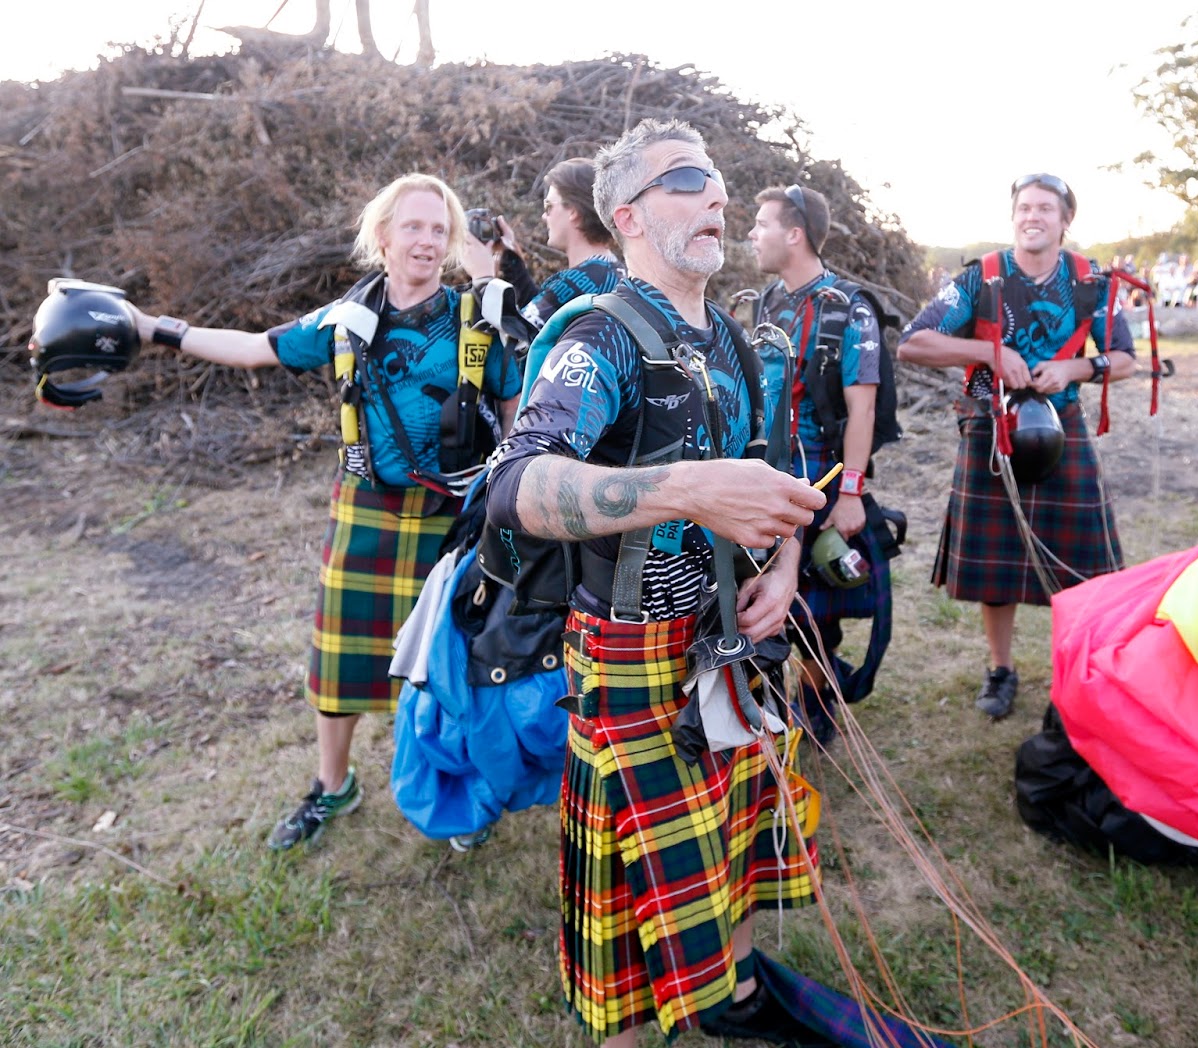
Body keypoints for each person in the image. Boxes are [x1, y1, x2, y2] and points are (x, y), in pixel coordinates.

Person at [484, 119, 829, 1047]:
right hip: (629, 649)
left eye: (718, 180)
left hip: (734, 634)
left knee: (742, 829)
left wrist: (787, 562)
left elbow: (774, 472)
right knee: (633, 879)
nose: (717, 195)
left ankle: (737, 993)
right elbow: (514, 485)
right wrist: (681, 490)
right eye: (688, 180)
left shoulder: (732, 338)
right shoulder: (597, 341)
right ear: (627, 215)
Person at [126, 174, 524, 850]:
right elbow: (254, 348)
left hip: (455, 518)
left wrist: (506, 506)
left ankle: (457, 792)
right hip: (366, 510)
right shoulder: (346, 320)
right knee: (340, 660)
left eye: (438, 229)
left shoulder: (478, 321)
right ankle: (332, 786)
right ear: (383, 237)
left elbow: (515, 418)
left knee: (449, 662)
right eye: (413, 226)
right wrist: (154, 328)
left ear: (451, 243)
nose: (426, 241)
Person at [898, 172, 1135, 720]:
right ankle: (1001, 669)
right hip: (991, 427)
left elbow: (1125, 358)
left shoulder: (1090, 282)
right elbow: (914, 342)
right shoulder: (981, 278)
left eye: (1046, 208)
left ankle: (1072, 677)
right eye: (1025, 207)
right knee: (996, 568)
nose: (1034, 216)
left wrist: (1077, 365)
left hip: (1063, 424)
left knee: (1080, 568)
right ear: (1013, 216)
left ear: (1065, 220)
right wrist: (987, 351)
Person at [747, 183, 885, 744]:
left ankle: (817, 701)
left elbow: (864, 404)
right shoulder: (765, 303)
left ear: (795, 233)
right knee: (759, 592)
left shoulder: (849, 308)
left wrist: (850, 491)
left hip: (822, 472)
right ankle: (766, 697)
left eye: (762, 224)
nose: (752, 234)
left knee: (814, 608)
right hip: (764, 470)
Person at [490, 158, 623, 328]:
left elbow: (516, 339)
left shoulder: (576, 281)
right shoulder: (613, 271)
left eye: (548, 207)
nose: (544, 217)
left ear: (573, 212)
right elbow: (545, 314)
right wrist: (512, 262)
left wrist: (484, 279)